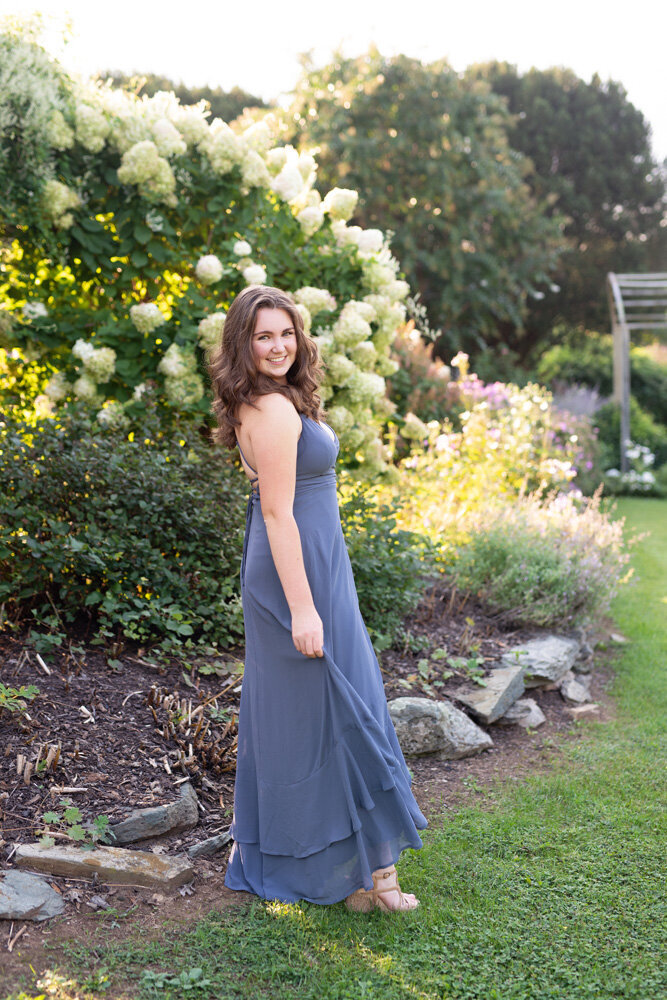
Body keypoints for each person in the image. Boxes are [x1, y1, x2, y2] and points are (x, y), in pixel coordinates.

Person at [209, 285, 427, 912]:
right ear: (243, 345)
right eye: (263, 336)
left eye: (285, 333)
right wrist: (304, 609)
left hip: (309, 564)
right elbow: (278, 513)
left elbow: (267, 489)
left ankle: (351, 875)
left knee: (314, 715)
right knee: (341, 703)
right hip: (297, 574)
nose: (278, 346)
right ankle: (378, 881)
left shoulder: (262, 403)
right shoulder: (272, 410)